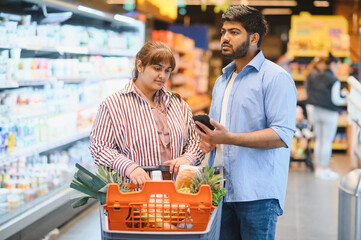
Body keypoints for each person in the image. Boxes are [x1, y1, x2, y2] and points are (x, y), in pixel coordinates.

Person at [194, 5, 297, 240]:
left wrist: (228, 138)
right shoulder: (222, 80)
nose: (225, 38)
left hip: (257, 194)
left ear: (254, 38)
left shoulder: (275, 78)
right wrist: (208, 141)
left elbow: (281, 135)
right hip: (221, 191)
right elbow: (216, 133)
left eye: (234, 32)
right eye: (223, 32)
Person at [89, 41, 204, 186]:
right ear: (139, 66)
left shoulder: (179, 104)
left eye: (167, 71)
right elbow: (99, 148)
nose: (162, 76)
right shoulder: (113, 105)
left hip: (176, 197)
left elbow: (196, 140)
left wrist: (188, 158)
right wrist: (129, 167)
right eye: (157, 68)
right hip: (134, 196)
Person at [306, 54, 347, 180]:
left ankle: (318, 168)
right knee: (327, 141)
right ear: (333, 65)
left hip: (316, 111)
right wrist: (345, 99)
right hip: (329, 113)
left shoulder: (315, 76)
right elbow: (336, 100)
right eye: (338, 66)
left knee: (319, 140)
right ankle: (324, 168)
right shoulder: (334, 80)